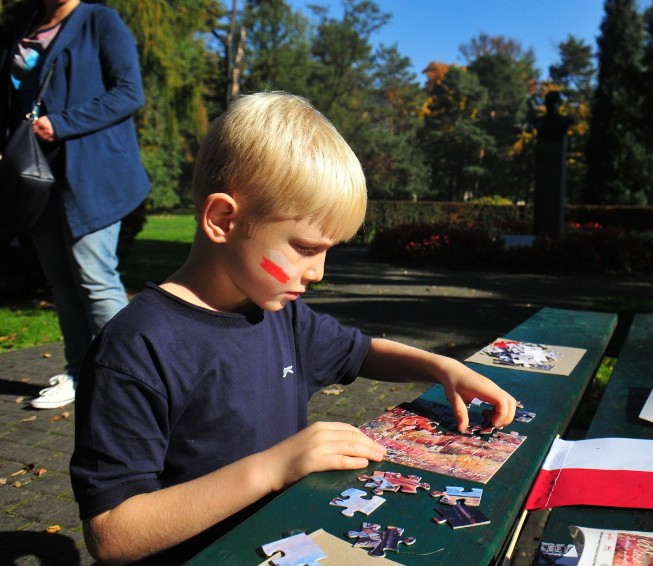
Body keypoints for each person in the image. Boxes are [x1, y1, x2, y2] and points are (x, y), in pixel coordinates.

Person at [69, 92, 518, 564]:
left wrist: (442, 367)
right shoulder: (136, 349)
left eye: (329, 250)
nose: (319, 271)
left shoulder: (281, 315)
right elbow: (112, 535)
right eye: (305, 247)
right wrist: (277, 466)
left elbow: (361, 352)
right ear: (224, 219)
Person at [0, 0, 150, 409]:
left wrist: (63, 123)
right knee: (61, 281)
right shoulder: (31, 24)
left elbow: (128, 92)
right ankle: (80, 374)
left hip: (91, 172)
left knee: (95, 277)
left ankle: (132, 383)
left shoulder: (99, 21)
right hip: (37, 175)